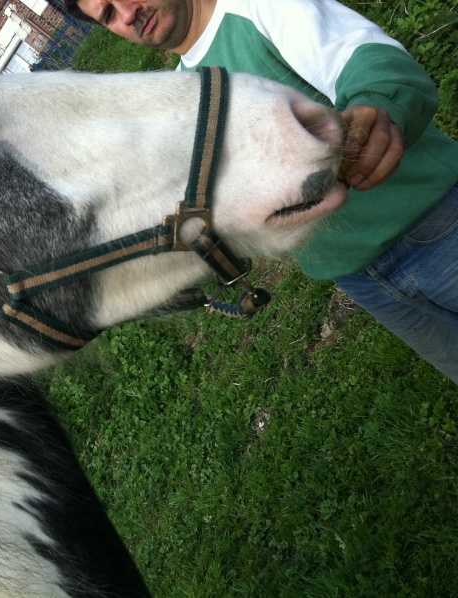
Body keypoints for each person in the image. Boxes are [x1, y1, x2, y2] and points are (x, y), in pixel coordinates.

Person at [64, 0, 458, 383]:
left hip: (434, 226)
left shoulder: (258, 9)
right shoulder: (184, 94)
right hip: (359, 278)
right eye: (109, 15)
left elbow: (366, 59)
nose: (130, 13)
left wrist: (378, 102)